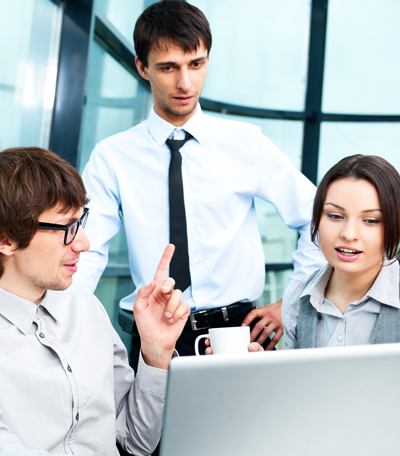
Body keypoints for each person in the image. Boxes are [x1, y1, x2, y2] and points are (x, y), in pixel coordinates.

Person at [74, 0, 325, 359]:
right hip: (153, 334)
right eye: (168, 68)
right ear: (142, 68)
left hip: (238, 332)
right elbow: (85, 249)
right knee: (148, 418)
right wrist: (66, 322)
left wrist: (294, 302)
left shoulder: (246, 143)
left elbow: (317, 217)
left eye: (196, 64)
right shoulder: (112, 156)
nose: (185, 82)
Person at [0, 147, 189, 456]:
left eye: (82, 223)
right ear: (4, 239)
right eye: (67, 228)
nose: (84, 242)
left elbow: (135, 443)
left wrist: (155, 354)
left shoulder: (87, 308)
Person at [271, 154, 400, 454]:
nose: (349, 234)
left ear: (394, 225)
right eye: (334, 216)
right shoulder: (298, 296)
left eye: (371, 220)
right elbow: (297, 414)